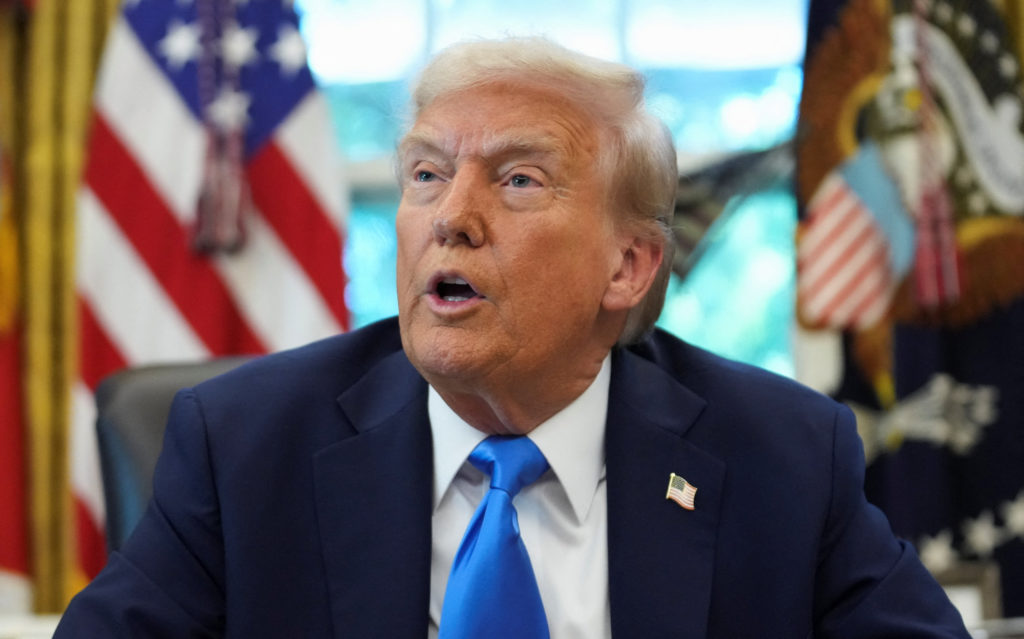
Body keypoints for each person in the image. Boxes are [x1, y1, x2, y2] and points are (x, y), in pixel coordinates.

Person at [55, 37, 970, 637]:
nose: (450, 217)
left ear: (629, 266)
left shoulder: (782, 453)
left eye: (518, 181)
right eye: (425, 173)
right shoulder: (244, 443)